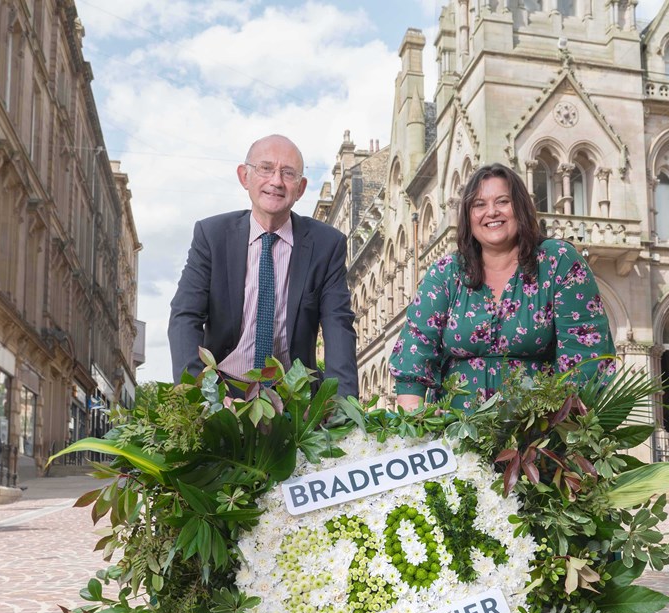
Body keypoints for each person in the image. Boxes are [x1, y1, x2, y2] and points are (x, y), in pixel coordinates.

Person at [391, 163, 614, 411]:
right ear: (468, 216)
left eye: (502, 201)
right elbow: (416, 344)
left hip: (538, 430)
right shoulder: (446, 272)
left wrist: (564, 422)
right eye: (479, 205)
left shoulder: (558, 262)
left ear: (520, 207)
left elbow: (584, 351)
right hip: (455, 432)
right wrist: (414, 420)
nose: (492, 212)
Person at [168, 134, 358, 397]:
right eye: (265, 168)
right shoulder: (211, 236)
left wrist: (341, 406)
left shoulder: (327, 246)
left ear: (301, 188)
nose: (276, 181)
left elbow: (338, 325)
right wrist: (198, 396)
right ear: (244, 177)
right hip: (222, 392)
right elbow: (185, 316)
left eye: (288, 173)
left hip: (295, 397)